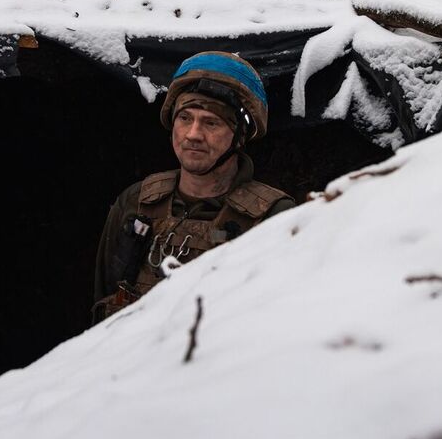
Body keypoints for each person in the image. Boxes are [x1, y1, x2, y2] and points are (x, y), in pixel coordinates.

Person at [93, 51, 295, 321]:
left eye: (211, 122)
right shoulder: (136, 201)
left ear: (240, 136)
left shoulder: (273, 216)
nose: (193, 134)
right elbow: (103, 302)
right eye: (185, 118)